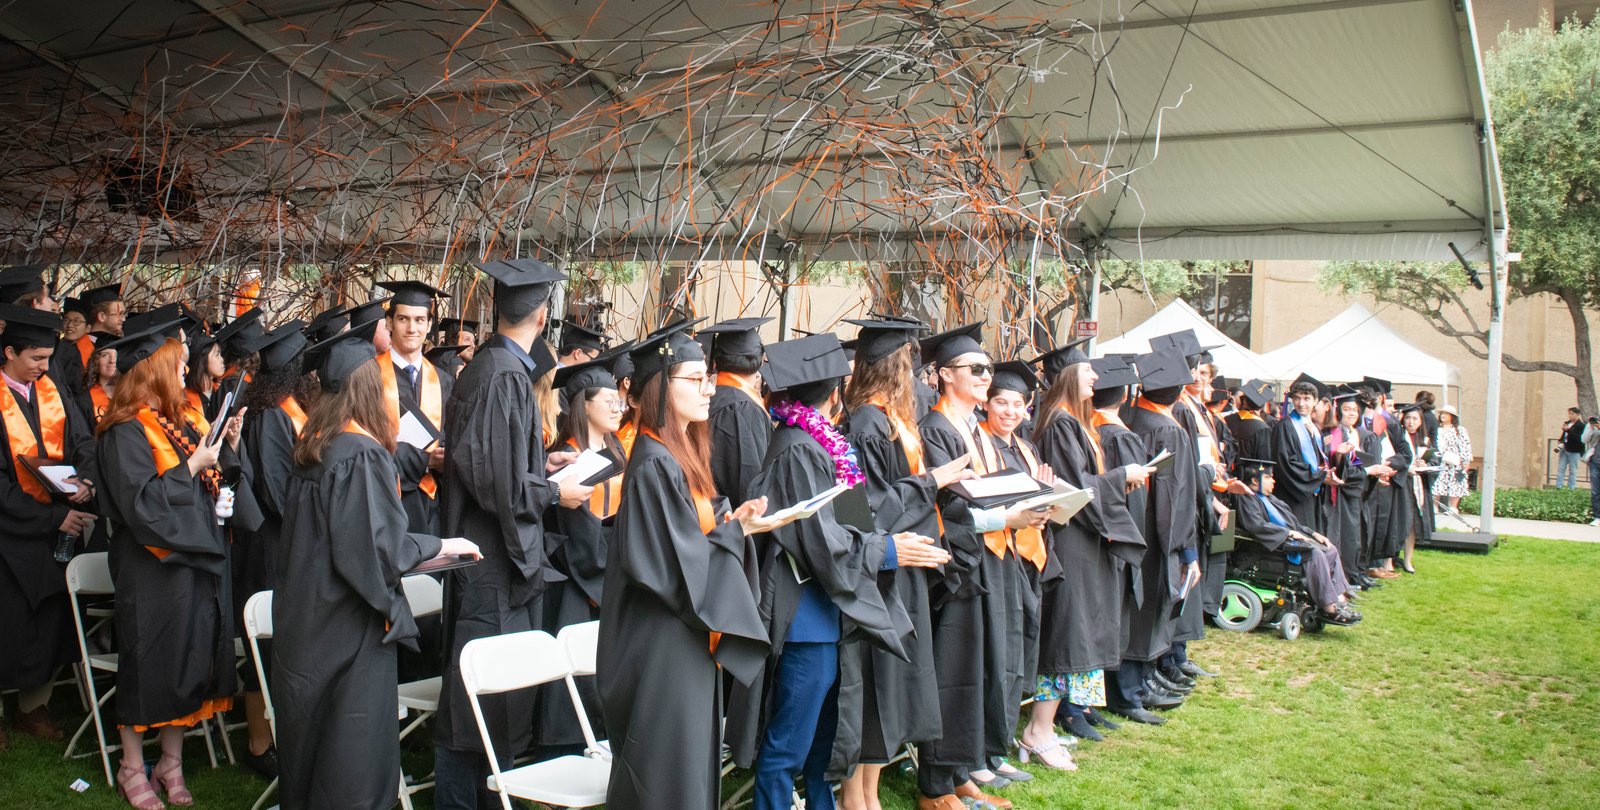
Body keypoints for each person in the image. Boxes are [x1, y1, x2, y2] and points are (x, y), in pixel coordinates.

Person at [728, 333, 946, 810]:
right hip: (804, 616)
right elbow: (819, 540)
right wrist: (888, 551)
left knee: (822, 746)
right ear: (833, 394)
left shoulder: (821, 444)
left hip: (828, 615)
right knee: (789, 742)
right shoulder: (797, 449)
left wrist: (885, 544)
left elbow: (852, 520)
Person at [272, 327, 479, 810]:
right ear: (369, 389)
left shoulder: (317, 444)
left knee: (310, 757)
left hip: (306, 627)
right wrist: (443, 544)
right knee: (351, 767)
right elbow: (377, 551)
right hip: (349, 635)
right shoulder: (360, 455)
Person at [598, 320, 791, 810]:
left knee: (688, 770)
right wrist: (735, 533)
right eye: (695, 378)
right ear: (662, 387)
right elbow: (671, 567)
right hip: (660, 644)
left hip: (682, 638)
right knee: (667, 776)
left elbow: (688, 536)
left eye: (707, 376)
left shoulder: (677, 454)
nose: (709, 387)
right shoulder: (654, 462)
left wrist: (730, 520)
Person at [433, 259, 592, 810]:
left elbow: (492, 463)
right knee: (473, 704)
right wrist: (554, 493)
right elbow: (495, 483)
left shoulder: (491, 366)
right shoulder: (504, 376)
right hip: (491, 562)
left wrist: (541, 464)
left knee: (484, 700)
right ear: (544, 314)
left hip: (485, 555)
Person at [94, 322, 260, 810]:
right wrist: (190, 467)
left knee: (189, 658)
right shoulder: (123, 430)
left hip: (193, 560)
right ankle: (130, 764)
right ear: (155, 370)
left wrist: (229, 442)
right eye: (179, 362)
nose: (186, 368)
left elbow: (215, 480)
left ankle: (170, 761)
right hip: (150, 568)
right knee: (149, 661)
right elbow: (140, 504)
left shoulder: (178, 421)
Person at [832, 315, 967, 810]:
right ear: (894, 365)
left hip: (905, 564)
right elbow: (870, 506)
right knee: (872, 682)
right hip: (881, 568)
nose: (916, 372)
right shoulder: (868, 422)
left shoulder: (890, 418)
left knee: (890, 687)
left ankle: (869, 792)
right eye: (908, 360)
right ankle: (855, 797)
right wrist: (934, 481)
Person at [1023, 346, 1146, 759]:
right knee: (1065, 635)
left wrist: (1112, 481)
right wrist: (1120, 477)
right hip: (1072, 541)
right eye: (1088, 371)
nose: (1096, 378)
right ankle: (1038, 730)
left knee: (1074, 633)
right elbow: (1075, 489)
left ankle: (1047, 726)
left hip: (1084, 541)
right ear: (1069, 375)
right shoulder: (1060, 423)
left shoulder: (1072, 420)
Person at [0, 306, 97, 751]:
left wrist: (86, 482)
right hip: (10, 534)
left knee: (46, 624)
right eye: (37, 358)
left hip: (56, 530)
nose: (45, 367)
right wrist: (53, 516)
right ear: (9, 352)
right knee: (7, 624)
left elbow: (82, 443)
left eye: (47, 359)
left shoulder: (51, 391)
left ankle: (32, 708)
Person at [234, 323, 317, 779]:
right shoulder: (270, 417)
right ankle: (258, 745)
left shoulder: (291, 408)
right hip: (270, 544)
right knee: (265, 648)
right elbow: (275, 489)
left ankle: (280, 737)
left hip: (289, 543)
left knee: (284, 646)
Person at [536, 358, 626, 750]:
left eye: (617, 400)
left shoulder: (616, 452)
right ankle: (565, 743)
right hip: (579, 579)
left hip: (609, 570)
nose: (616, 407)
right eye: (606, 399)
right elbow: (576, 535)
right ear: (583, 405)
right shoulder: (569, 457)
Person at [1117, 349, 1202, 723]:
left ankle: (1145, 677)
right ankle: (1133, 688)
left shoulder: (1132, 417)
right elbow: (1173, 493)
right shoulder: (1166, 428)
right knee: (1147, 609)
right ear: (1180, 389)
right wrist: (1183, 547)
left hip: (1136, 525)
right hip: (1158, 534)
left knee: (1140, 610)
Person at [981, 360, 1059, 755]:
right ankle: (991, 745)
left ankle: (1006, 737)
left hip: (1030, 557)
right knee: (1000, 656)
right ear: (987, 404)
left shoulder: (1025, 447)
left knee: (1020, 651)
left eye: (1018, 404)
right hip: (999, 555)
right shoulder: (982, 445)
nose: (1010, 412)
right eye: (1001, 403)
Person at [1231, 459, 1361, 626]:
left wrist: (1314, 534)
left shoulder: (1271, 500)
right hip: (1267, 549)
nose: (1273, 481)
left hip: (1286, 541)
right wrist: (1287, 533)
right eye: (1269, 477)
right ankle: (1328, 607)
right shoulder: (1246, 499)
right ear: (1255, 481)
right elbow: (1257, 526)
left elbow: (1295, 525)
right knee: (1315, 554)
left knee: (1330, 549)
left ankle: (1339, 598)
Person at [376, 280, 455, 534]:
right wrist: (423, 460)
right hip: (382, 498)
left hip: (432, 503)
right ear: (389, 322)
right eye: (403, 319)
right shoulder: (369, 376)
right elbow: (362, 441)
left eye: (420, 320)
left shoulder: (442, 380)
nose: (412, 328)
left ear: (430, 325)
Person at [701, 317, 774, 506]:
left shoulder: (713, 397)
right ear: (760, 361)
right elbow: (746, 481)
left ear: (716, 361)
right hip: (736, 520)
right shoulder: (739, 408)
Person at [1271, 376, 1331, 532]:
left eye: (1306, 398)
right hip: (1294, 494)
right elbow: (1285, 463)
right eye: (1297, 398)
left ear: (1315, 401)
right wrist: (1318, 476)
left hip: (1310, 491)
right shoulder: (1286, 426)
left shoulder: (1312, 427)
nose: (1301, 403)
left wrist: (1322, 474)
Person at [1399, 405, 1431, 573]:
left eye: (1415, 419)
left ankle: (1408, 560)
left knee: (1412, 523)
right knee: (1400, 521)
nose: (1411, 422)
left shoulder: (1423, 440)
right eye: (1408, 418)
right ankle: (1389, 560)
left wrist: (1424, 463)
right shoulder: (1398, 436)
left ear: (1420, 422)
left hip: (1417, 484)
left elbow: (1434, 460)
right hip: (1402, 484)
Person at [1225, 379, 1276, 462]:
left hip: (1228, 470)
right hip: (1250, 471)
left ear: (1243, 400)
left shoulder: (1227, 420)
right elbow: (1264, 458)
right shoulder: (1262, 428)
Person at [1433, 405, 1472, 512]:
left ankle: (1453, 507)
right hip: (1439, 460)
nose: (1443, 416)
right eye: (1442, 413)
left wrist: (1465, 460)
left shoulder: (1459, 430)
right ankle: (1435, 505)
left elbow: (1465, 445)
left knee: (1456, 482)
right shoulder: (1437, 429)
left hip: (1454, 460)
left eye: (1446, 414)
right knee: (1438, 482)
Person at [1556, 407, 1585, 489]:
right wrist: (1560, 440)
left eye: (1573, 414)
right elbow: (1565, 435)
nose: (1570, 416)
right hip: (1565, 448)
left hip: (1575, 450)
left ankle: (1571, 488)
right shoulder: (1567, 423)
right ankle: (1559, 486)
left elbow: (1578, 438)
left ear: (1578, 415)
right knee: (1561, 468)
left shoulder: (1581, 426)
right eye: (1569, 413)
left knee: (1573, 470)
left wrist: (1568, 430)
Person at [1583, 416, 1600, 526]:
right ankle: (1597, 517)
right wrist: (1590, 426)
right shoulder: (1594, 430)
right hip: (1594, 463)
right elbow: (1584, 440)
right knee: (1595, 492)